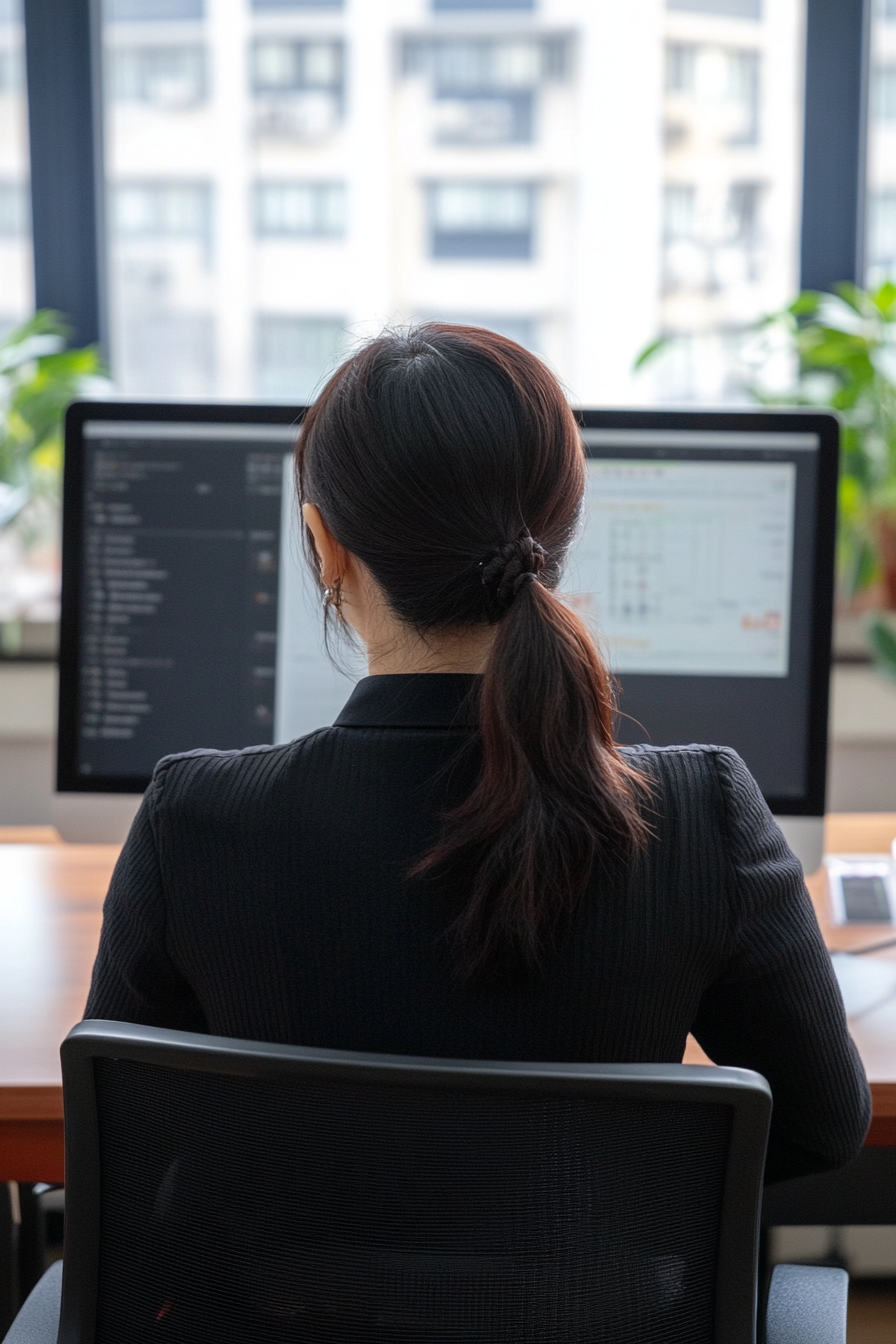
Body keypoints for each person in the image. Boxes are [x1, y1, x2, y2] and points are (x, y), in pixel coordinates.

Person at [86, 323, 869, 1184]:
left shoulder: (193, 822)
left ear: (323, 544)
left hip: (281, 1310)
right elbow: (818, 1127)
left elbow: (126, 1145)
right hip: (594, 1315)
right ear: (557, 538)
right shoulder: (701, 815)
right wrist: (596, 1175)